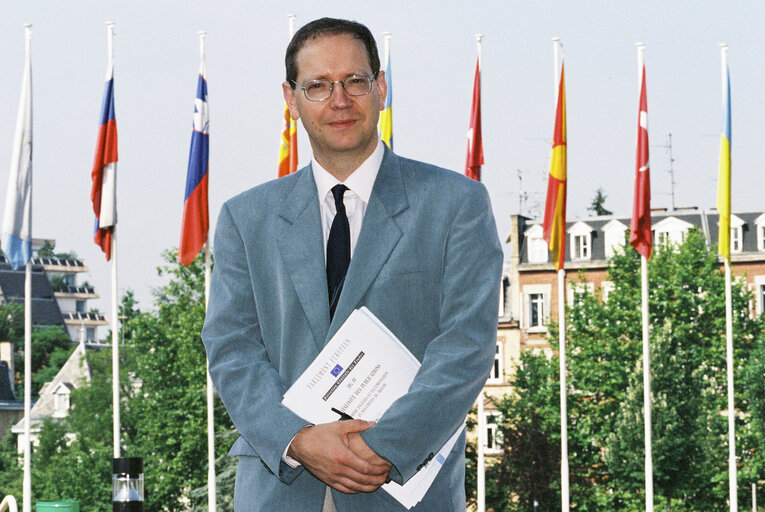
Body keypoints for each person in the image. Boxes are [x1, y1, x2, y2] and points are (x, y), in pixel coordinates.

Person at [202, 17, 503, 512]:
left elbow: (465, 346)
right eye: (317, 86)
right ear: (290, 97)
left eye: (355, 81)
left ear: (381, 88)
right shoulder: (245, 217)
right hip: (279, 491)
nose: (339, 100)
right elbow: (232, 349)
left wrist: (380, 446)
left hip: (399, 489)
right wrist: (296, 438)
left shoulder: (456, 204)